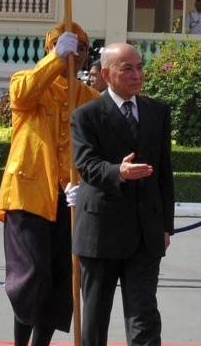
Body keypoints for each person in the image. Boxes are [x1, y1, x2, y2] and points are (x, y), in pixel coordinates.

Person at [0, 23, 98, 346]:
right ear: (50, 48)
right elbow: (23, 95)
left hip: (68, 200)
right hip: (27, 195)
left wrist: (88, 187)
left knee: (61, 280)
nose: (75, 53)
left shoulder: (89, 98)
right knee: (32, 276)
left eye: (81, 48)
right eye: (68, 45)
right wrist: (55, 59)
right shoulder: (27, 83)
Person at [71, 43, 175, 346]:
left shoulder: (157, 111)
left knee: (144, 317)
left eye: (139, 67)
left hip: (146, 232)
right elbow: (86, 165)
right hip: (100, 232)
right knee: (95, 318)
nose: (136, 75)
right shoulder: (86, 115)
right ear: (106, 73)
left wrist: (166, 225)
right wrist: (118, 172)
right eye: (127, 68)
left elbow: (164, 173)